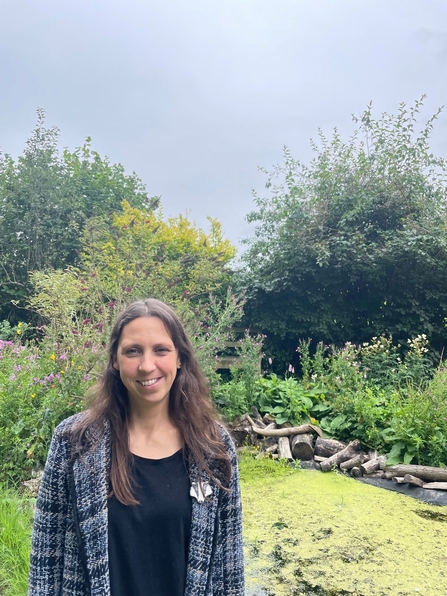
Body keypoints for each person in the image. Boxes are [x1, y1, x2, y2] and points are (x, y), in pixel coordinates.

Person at [28, 298, 244, 596]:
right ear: (115, 361)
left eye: (161, 350)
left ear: (180, 357)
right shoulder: (73, 442)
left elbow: (229, 568)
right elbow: (45, 561)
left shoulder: (213, 447)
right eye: (133, 351)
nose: (146, 365)